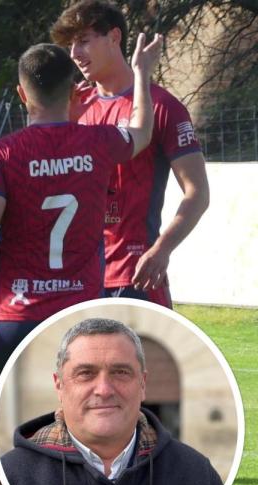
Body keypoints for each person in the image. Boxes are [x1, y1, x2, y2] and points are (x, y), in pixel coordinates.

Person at [0, 38, 160, 485]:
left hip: (17, 317)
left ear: (21, 93)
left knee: (6, 438)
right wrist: (141, 74)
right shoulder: (97, 143)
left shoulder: (3, 153)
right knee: (84, 434)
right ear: (76, 90)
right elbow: (141, 134)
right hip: (79, 319)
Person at [1, 318, 223, 485]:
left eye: (120, 372)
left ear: (143, 384)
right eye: (85, 373)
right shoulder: (14, 476)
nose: (104, 390)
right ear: (59, 386)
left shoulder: (197, 475)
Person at [51, 0, 210, 309]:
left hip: (136, 277)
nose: (74, 53)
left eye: (83, 41)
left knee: (145, 359)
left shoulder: (163, 107)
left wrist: (161, 250)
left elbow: (198, 193)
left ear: (114, 38)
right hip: (79, 278)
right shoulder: (73, 107)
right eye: (71, 45)